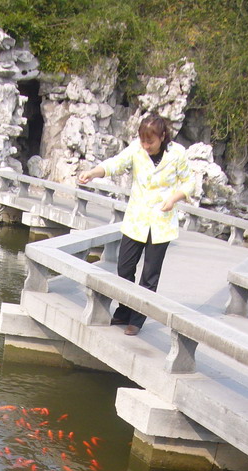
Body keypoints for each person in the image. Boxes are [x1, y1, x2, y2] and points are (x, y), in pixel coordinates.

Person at [78, 114, 195, 336]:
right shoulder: (136, 150)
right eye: (143, 140)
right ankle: (124, 310)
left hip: (161, 222)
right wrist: (93, 173)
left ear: (162, 137)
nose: (146, 145)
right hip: (137, 219)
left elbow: (189, 182)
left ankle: (137, 319)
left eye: (150, 141)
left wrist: (173, 199)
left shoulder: (177, 154)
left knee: (149, 275)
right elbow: (116, 164)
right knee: (124, 268)